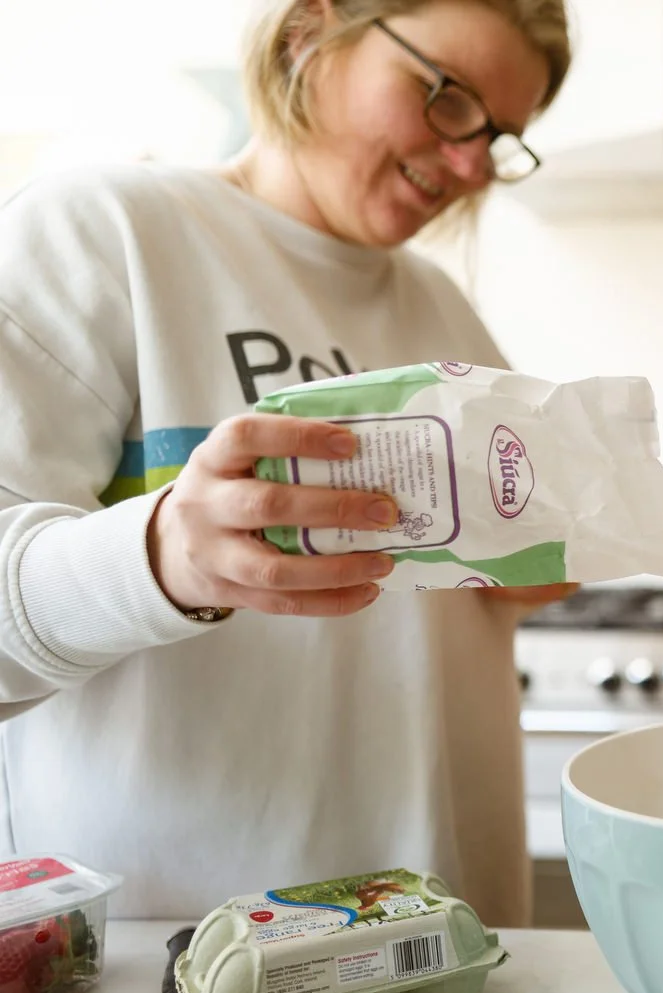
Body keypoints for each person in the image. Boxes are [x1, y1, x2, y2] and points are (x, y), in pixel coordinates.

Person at [0, 0, 574, 927]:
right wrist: (162, 559)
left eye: (501, 135)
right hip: (174, 967)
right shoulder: (104, 232)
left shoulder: (443, 311)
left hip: (442, 946)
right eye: (447, 97)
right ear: (311, 35)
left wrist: (540, 557)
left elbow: (475, 596)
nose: (471, 163)